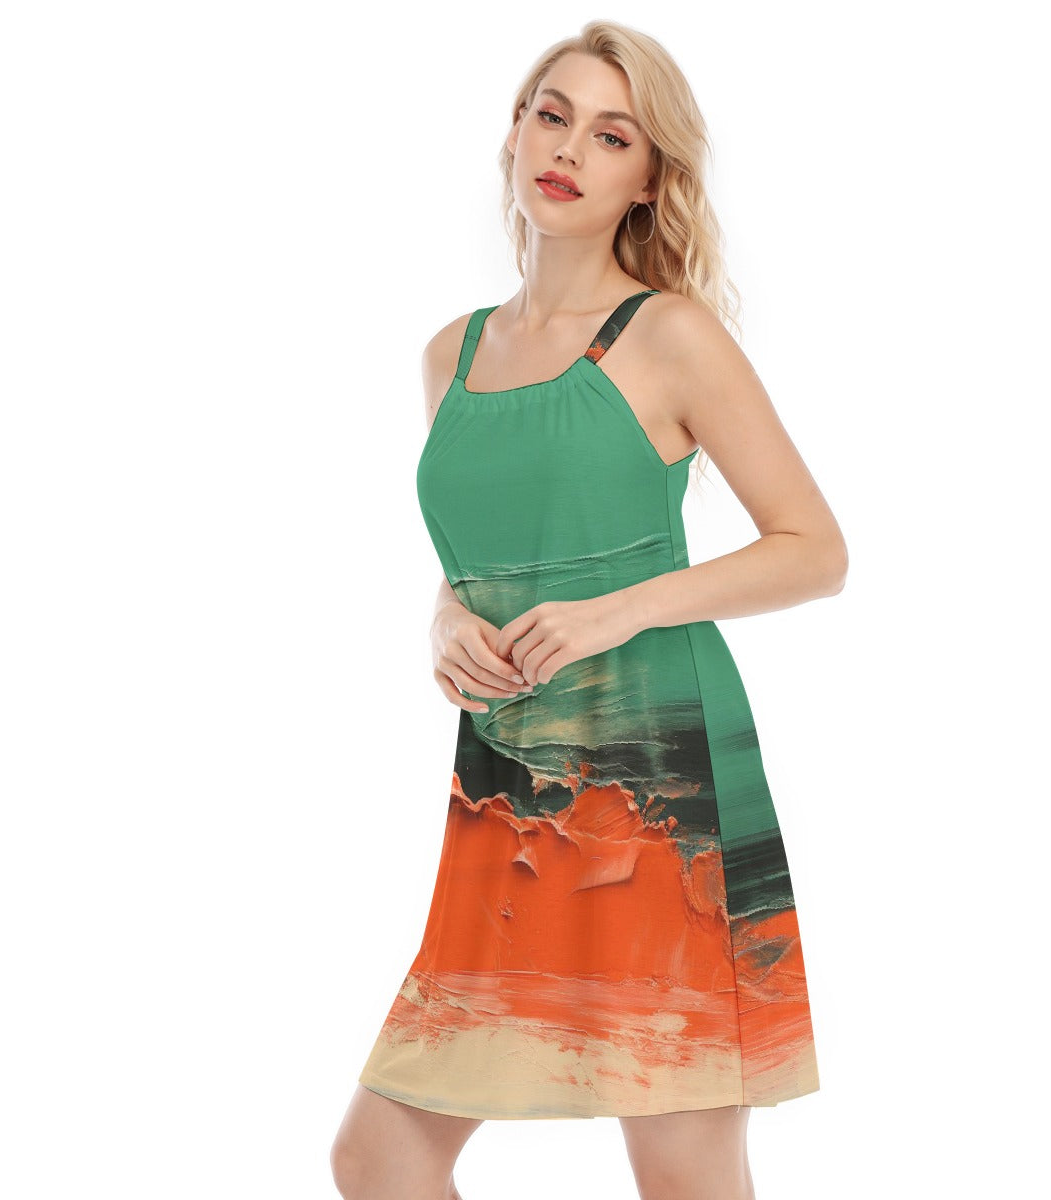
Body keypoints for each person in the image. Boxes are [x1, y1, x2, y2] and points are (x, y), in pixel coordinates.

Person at [331, 19, 847, 1200]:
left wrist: (620, 611)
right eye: (552, 116)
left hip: (659, 785)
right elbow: (483, 560)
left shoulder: (669, 336)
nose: (569, 149)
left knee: (683, 1170)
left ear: (647, 178)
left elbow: (815, 551)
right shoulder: (452, 355)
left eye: (612, 136)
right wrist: (443, 621)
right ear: (514, 132)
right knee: (381, 1153)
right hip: (507, 790)